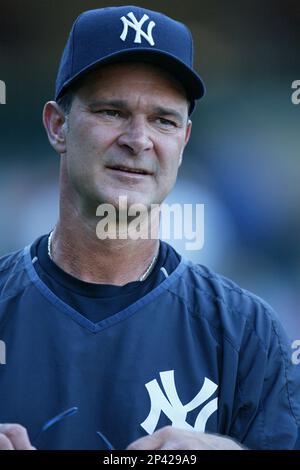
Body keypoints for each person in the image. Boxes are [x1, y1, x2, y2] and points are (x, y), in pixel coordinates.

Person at [0, 5, 299, 451]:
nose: (138, 140)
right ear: (57, 126)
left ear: (184, 141)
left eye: (163, 120)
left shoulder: (246, 331)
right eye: (111, 112)